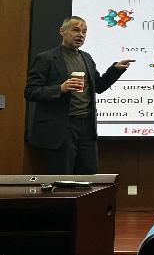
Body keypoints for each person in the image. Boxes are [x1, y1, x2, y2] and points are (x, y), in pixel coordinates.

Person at [24, 16, 134, 174]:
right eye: (76, 30)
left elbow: (99, 86)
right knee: (62, 177)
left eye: (84, 32)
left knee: (89, 175)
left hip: (86, 127)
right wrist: (60, 89)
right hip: (61, 128)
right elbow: (30, 92)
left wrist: (115, 70)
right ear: (62, 31)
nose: (80, 35)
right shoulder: (46, 58)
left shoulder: (86, 57)